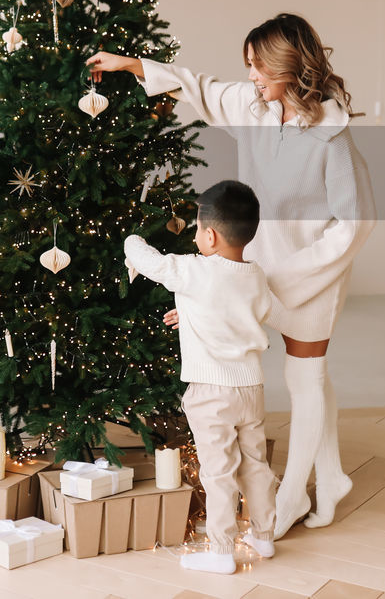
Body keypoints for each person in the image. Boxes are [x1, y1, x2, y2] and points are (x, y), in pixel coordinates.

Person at [89, 13, 375, 539]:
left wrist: (292, 274)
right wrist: (132, 65)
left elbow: (356, 223)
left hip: (311, 276)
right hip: (257, 267)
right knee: (311, 378)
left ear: (290, 66)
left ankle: (291, 497)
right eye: (249, 66)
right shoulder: (254, 109)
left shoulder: (331, 138)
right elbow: (199, 87)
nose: (251, 77)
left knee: (306, 377)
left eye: (259, 66)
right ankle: (331, 479)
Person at [125, 180, 276, 574]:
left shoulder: (192, 270)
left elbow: (146, 259)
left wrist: (132, 236)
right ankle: (264, 536)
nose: (194, 236)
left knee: (219, 470)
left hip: (212, 392)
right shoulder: (256, 274)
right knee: (255, 463)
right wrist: (191, 315)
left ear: (209, 234)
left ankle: (222, 551)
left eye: (195, 228)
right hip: (251, 387)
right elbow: (239, 315)